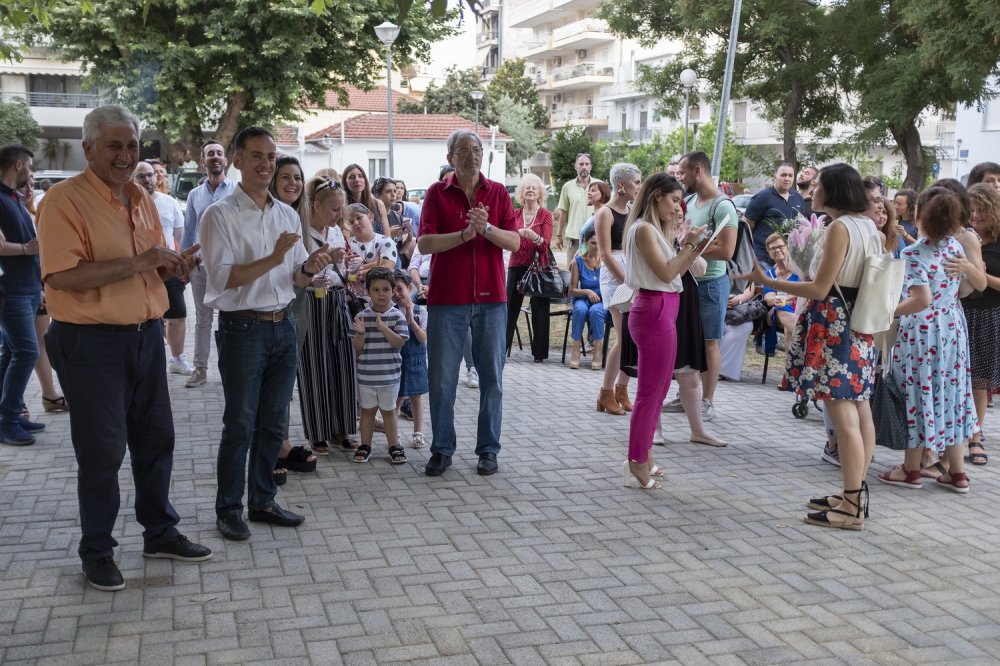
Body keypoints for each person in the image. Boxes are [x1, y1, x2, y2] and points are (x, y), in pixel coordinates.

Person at [38, 104, 211, 590]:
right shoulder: (62, 199)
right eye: (114, 145)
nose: (125, 154)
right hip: (90, 343)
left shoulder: (139, 195)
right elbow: (61, 277)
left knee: (157, 442)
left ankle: (159, 532)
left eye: (132, 145)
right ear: (89, 148)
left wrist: (171, 266)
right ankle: (97, 550)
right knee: (103, 452)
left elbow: (149, 265)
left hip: (145, 338)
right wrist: (140, 262)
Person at [199, 126, 332, 542]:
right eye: (256, 155)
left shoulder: (286, 213)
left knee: (274, 422)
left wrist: (314, 266)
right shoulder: (218, 214)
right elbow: (222, 279)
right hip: (243, 328)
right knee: (239, 423)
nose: (265, 163)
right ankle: (228, 509)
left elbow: (294, 274)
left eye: (271, 157)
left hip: (283, 324)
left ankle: (263, 500)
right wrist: (273, 255)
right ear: (237, 160)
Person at [738, 163, 879, 530]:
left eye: (817, 185)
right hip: (859, 324)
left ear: (831, 191)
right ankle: (853, 493)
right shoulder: (869, 227)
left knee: (843, 416)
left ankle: (851, 506)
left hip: (834, 323)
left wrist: (768, 281)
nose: (811, 190)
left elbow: (819, 289)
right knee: (860, 411)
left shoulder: (839, 229)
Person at [417, 128, 520, 477]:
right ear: (451, 158)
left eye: (476, 149)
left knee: (492, 379)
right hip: (448, 300)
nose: (472, 156)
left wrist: (486, 229)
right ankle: (442, 449)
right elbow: (425, 244)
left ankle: (488, 450)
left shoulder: (499, 193)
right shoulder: (435, 194)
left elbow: (515, 243)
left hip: (492, 300)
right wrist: (464, 235)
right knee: (442, 380)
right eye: (463, 150)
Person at [877, 187, 977, 493]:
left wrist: (887, 312)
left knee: (918, 394)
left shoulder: (914, 253)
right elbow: (969, 288)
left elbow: (921, 299)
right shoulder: (955, 249)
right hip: (952, 329)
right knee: (951, 393)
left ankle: (911, 470)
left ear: (917, 214)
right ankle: (956, 472)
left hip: (923, 333)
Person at [621, 173, 707, 489]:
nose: (676, 207)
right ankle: (636, 461)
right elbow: (668, 271)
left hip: (663, 308)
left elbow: (678, 271)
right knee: (649, 393)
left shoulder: (654, 230)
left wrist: (692, 248)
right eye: (673, 200)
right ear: (656, 195)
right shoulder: (643, 229)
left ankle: (644, 455)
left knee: (656, 393)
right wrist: (689, 245)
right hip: (654, 310)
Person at [670, 151, 738, 421]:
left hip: (710, 283)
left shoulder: (723, 206)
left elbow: (727, 251)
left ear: (698, 171)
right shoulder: (688, 201)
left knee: (710, 341)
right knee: (685, 340)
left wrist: (690, 247)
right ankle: (686, 395)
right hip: (686, 281)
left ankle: (707, 402)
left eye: (683, 172)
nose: (680, 177)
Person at [295, 176, 358, 457]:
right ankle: (318, 432)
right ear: (316, 205)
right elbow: (297, 273)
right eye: (334, 209)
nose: (338, 215)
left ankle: (341, 428)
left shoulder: (334, 231)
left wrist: (346, 264)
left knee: (343, 363)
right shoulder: (302, 232)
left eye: (340, 209)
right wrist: (322, 267)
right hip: (311, 302)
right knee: (314, 368)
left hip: (336, 301)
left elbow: (339, 268)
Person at [267, 156, 320, 479]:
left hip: (299, 302)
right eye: (284, 177)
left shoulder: (300, 216)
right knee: (272, 381)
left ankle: (281, 441)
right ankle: (273, 446)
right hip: (269, 305)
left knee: (286, 378)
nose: (292, 183)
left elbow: (303, 270)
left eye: (298, 177)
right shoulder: (269, 216)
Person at [180, 140, 236, 388]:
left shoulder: (237, 190)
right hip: (200, 268)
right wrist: (184, 264)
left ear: (226, 160)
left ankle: (231, 370)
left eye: (219, 153)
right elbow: (189, 232)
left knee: (230, 319)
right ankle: (200, 369)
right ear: (203, 161)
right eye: (210, 154)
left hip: (228, 268)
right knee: (202, 319)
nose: (215, 157)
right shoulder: (194, 194)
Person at [0, 144, 45, 445]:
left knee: (11, 352)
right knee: (27, 352)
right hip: (10, 290)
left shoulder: (15, 197)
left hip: (26, 287)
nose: (30, 172)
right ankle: (8, 420)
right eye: (28, 166)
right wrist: (28, 249)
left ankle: (8, 417)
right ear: (18, 165)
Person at [132, 161, 193, 377]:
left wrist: (183, 266)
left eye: (150, 175)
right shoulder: (129, 203)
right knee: (149, 319)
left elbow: (180, 236)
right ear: (133, 179)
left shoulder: (169, 202)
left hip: (168, 267)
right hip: (139, 270)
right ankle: (149, 361)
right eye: (141, 176)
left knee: (177, 315)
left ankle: (177, 359)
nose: (148, 179)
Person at [17, 174, 68, 414]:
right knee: (21, 348)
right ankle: (15, 402)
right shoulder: (12, 211)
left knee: (39, 342)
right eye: (23, 184)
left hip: (37, 286)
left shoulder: (33, 213)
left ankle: (49, 394)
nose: (29, 189)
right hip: (17, 289)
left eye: (31, 184)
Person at [958, 183, 1000, 467]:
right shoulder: (962, 237)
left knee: (980, 381)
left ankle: (975, 437)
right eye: (971, 209)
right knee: (957, 377)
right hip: (960, 311)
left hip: (988, 314)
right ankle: (955, 436)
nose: (975, 215)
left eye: (981, 209)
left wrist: (981, 274)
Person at [595, 163, 641, 416]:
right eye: (636, 182)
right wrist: (627, 282)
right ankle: (606, 392)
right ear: (621, 185)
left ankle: (622, 388)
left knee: (632, 338)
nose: (639, 186)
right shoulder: (605, 213)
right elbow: (604, 254)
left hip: (630, 271)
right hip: (616, 277)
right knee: (624, 338)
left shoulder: (633, 210)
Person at [351, 266, 409, 464]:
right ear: (368, 292)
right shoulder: (362, 317)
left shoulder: (397, 316)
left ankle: (394, 446)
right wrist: (360, 333)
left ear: (393, 291)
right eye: (375, 290)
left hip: (389, 376)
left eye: (385, 289)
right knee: (367, 411)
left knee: (389, 411)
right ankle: (365, 445)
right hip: (366, 376)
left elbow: (399, 342)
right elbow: (358, 348)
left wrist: (383, 328)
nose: (381, 294)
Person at [504, 173, 553, 363]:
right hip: (516, 264)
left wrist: (533, 236)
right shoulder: (514, 214)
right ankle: (502, 348)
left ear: (540, 193)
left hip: (539, 267)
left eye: (534, 188)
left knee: (540, 309)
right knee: (510, 307)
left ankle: (539, 354)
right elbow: (508, 239)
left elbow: (545, 244)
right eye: (527, 188)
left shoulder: (545, 215)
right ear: (521, 194)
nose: (530, 190)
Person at [392, 270, 428, 448]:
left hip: (416, 360)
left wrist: (411, 321)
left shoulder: (421, 311)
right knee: (396, 398)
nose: (396, 294)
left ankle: (418, 432)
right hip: (396, 360)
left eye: (400, 289)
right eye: (392, 290)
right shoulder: (389, 312)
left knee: (416, 397)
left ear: (410, 287)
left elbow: (423, 338)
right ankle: (394, 433)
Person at [744, 162, 805, 265]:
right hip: (764, 257)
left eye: (790, 175)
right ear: (775, 176)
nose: (787, 178)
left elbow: (801, 223)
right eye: (783, 175)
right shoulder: (762, 197)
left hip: (789, 259)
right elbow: (747, 224)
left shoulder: (798, 198)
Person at [568, 225, 604, 370]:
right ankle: (576, 348)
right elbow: (572, 290)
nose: (596, 246)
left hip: (601, 300)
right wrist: (587, 291)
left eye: (599, 242)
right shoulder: (578, 261)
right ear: (585, 243)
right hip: (582, 297)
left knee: (596, 311)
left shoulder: (606, 262)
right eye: (593, 243)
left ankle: (598, 351)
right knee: (580, 310)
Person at [344, 203, 398, 298]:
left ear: (370, 217)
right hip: (353, 300)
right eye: (351, 222)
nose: (356, 223)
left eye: (359, 218)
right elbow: (344, 272)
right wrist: (375, 264)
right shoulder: (347, 245)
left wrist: (358, 271)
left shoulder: (386, 241)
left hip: (381, 299)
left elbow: (386, 270)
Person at [555, 152, 600, 263]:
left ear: (590, 167)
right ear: (576, 167)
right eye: (581, 164)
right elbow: (564, 212)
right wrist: (559, 235)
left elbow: (606, 210)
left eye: (586, 164)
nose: (584, 167)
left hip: (595, 239)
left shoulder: (600, 185)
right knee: (572, 274)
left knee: (593, 275)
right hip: (574, 240)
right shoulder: (567, 187)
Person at [760, 233, 800, 353]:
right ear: (769, 253)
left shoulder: (799, 269)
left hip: (801, 309)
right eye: (773, 248)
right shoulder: (769, 275)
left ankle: (791, 367)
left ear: (787, 247)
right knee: (781, 308)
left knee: (788, 331)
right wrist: (789, 298)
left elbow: (809, 292)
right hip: (781, 312)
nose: (777, 250)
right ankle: (804, 336)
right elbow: (769, 298)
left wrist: (783, 297)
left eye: (780, 246)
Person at [343, 164, 389, 235]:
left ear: (365, 180)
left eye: (360, 176)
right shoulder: (342, 207)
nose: (357, 180)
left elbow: (387, 236)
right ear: (345, 182)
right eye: (352, 177)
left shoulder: (378, 204)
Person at [578, 180, 611, 246]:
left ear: (603, 193)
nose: (589, 193)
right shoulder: (593, 216)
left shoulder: (605, 215)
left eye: (593, 191)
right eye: (589, 191)